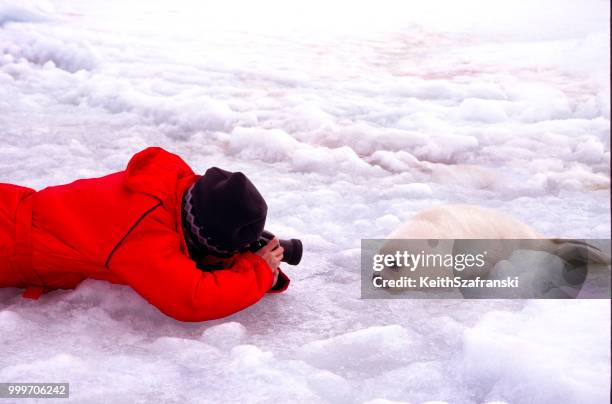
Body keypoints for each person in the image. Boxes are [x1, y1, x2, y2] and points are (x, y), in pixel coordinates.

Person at [0, 147, 290, 322]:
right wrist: (257, 273)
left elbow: (182, 254)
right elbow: (193, 297)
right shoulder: (144, 231)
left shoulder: (170, 187)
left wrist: (247, 262)